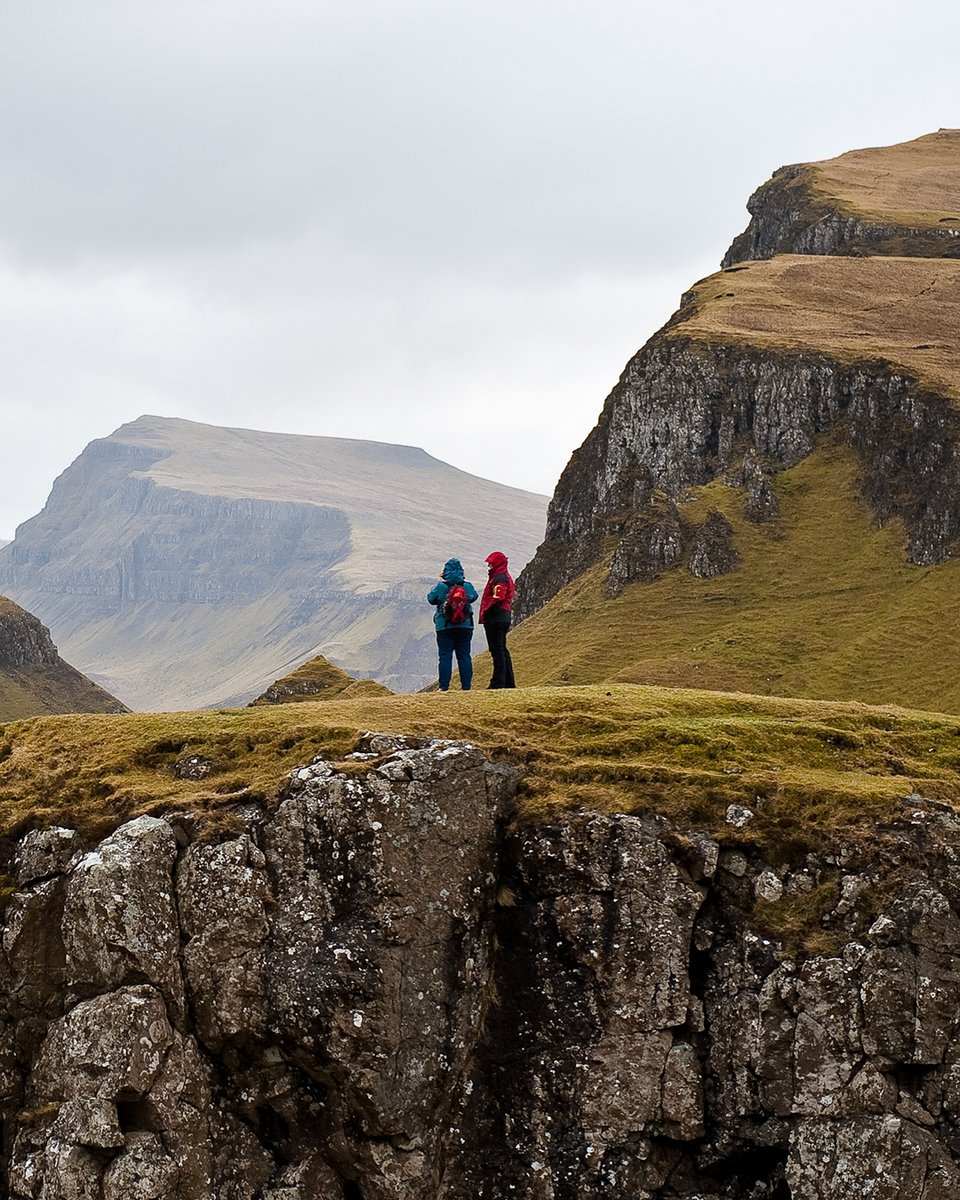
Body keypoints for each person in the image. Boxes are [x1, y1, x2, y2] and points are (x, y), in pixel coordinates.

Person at [427, 557, 479, 691]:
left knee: (445, 656)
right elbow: (473, 597)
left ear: (445, 572)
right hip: (465, 626)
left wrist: (441, 584)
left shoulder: (441, 586)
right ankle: (466, 687)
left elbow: (431, 599)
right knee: (464, 656)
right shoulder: (467, 586)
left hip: (444, 626)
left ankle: (444, 687)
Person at [478, 550, 515, 689]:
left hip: (496, 617)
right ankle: (508, 682)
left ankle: (498, 682)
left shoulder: (499, 578)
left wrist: (487, 611)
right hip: (503, 616)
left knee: (497, 650)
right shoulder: (503, 576)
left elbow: (497, 597)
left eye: (491, 564)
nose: (489, 567)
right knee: (502, 649)